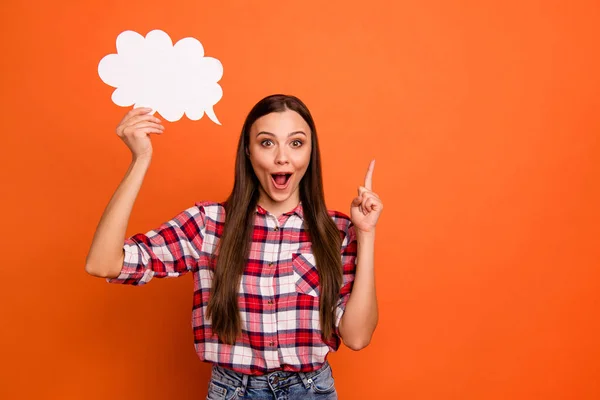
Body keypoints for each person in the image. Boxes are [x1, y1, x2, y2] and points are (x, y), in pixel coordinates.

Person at [85, 94, 383, 399]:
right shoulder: (207, 224)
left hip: (311, 391)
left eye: (296, 143)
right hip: (233, 391)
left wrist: (366, 233)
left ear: (310, 152)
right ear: (248, 152)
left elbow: (357, 337)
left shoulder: (338, 231)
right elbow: (103, 263)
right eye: (267, 143)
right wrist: (140, 159)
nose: (282, 157)